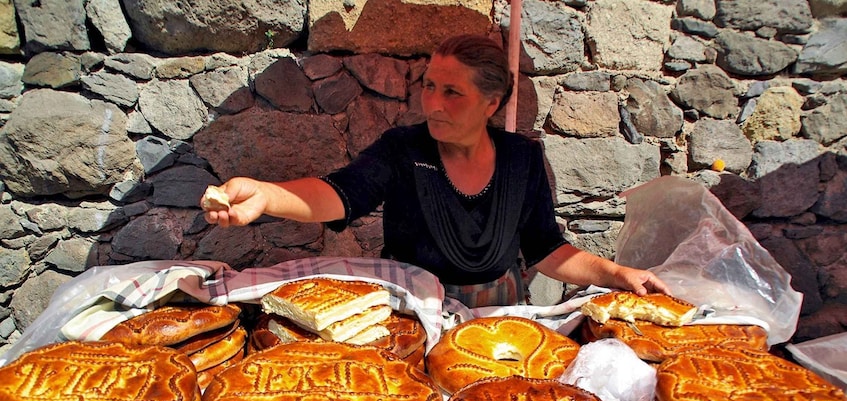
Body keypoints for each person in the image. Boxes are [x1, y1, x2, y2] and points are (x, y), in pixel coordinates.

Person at [203, 34, 669, 308]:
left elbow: (547, 250)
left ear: (492, 103)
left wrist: (616, 273)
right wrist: (267, 195)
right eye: (429, 86)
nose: (432, 104)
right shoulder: (404, 149)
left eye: (452, 92)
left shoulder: (521, 158)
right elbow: (339, 194)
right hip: (410, 309)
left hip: (498, 315)